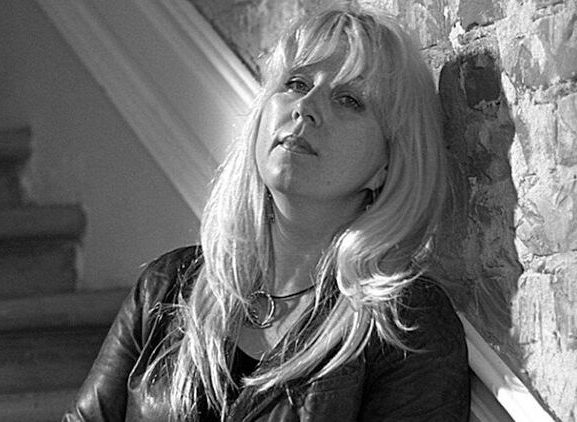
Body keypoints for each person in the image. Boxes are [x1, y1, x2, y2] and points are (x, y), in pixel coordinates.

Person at [63, 5, 469, 421]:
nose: (305, 107)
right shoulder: (166, 287)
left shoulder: (407, 325)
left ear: (388, 163)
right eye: (296, 83)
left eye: (349, 99)